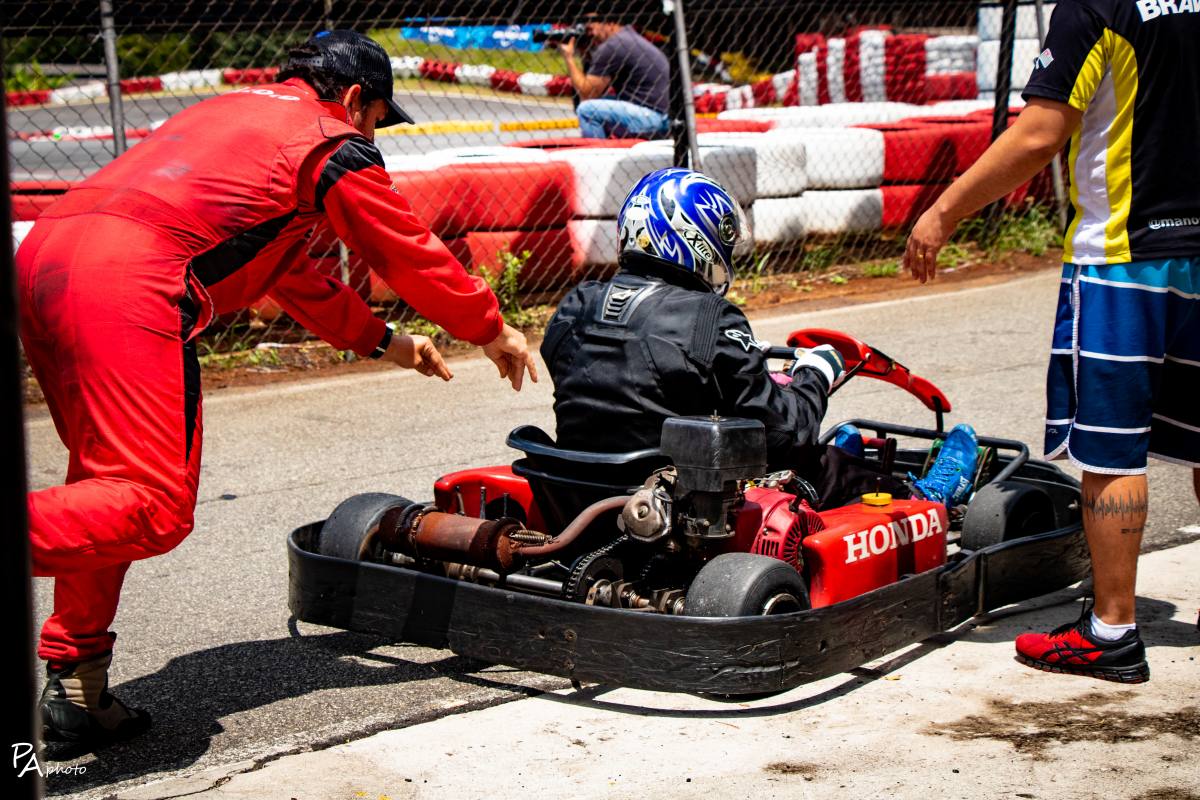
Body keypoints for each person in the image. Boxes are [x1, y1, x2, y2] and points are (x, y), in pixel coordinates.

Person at [19, 29, 538, 745]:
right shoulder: (327, 139)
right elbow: (401, 245)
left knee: (103, 487)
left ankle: (77, 686)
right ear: (357, 100)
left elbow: (288, 275)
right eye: (379, 119)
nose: (375, 135)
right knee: (152, 504)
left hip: (49, 252)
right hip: (131, 280)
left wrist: (389, 343)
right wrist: (487, 325)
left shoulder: (234, 115)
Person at [903, 1, 1199, 683]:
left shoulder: (1097, 7)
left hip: (1122, 259)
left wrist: (943, 211)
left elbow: (1039, 134)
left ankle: (1112, 630)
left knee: (1112, 451)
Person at [542, 167, 980, 510]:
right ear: (695, 239)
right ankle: (923, 500)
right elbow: (787, 434)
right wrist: (814, 375)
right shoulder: (710, 318)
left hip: (582, 489)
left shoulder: (575, 304)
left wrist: (740, 366)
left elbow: (631, 380)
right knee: (818, 462)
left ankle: (850, 459)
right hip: (680, 503)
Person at [551, 13, 670, 139]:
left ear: (609, 24)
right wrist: (585, 53)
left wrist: (569, 57)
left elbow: (587, 94)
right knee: (601, 101)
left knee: (586, 111)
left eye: (591, 27)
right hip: (663, 117)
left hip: (650, 118)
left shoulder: (612, 46)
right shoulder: (628, 38)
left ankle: (599, 154)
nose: (590, 34)